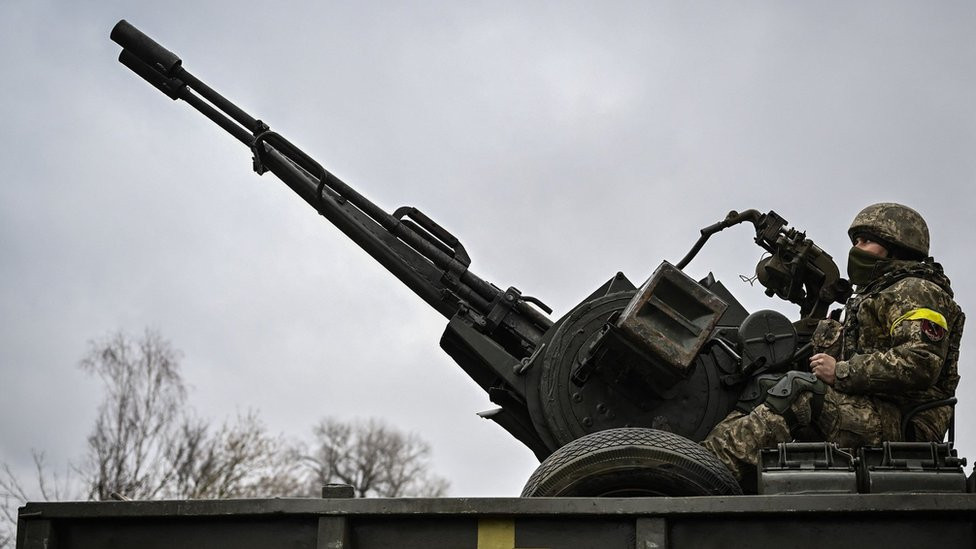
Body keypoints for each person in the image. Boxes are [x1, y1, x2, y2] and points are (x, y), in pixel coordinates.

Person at [701, 202, 964, 485]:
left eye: (867, 241)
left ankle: (707, 473)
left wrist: (840, 371)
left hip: (902, 422)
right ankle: (701, 458)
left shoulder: (917, 291)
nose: (856, 249)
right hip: (869, 408)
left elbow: (920, 363)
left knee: (798, 391)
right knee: (765, 385)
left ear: (895, 248)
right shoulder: (870, 297)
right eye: (856, 241)